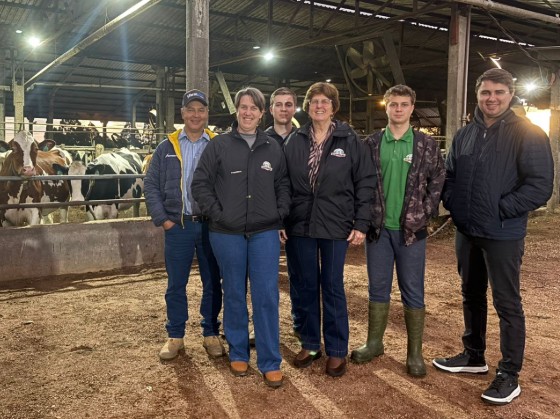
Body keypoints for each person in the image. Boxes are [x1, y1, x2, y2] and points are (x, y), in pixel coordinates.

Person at [432, 68, 554, 405]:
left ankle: (509, 373)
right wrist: (455, 204)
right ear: (478, 94)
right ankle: (474, 355)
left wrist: (500, 209)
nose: (492, 98)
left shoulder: (528, 133)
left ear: (510, 94)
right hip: (467, 230)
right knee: (471, 294)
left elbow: (540, 186)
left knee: (507, 302)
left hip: (503, 233)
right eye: (486, 92)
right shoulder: (465, 134)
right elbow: (450, 176)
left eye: (499, 92)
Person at [191, 87, 291, 388]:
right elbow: (200, 184)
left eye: (253, 108)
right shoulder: (219, 145)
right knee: (233, 291)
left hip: (264, 233)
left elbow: (283, 184)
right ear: (237, 111)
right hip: (226, 233)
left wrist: (280, 212)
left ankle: (270, 360)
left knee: (266, 294)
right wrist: (218, 214)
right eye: (243, 107)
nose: (248, 112)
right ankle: (238, 352)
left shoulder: (272, 147)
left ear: (262, 113)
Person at [350, 85, 445, 377]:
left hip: (411, 232)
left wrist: (425, 212)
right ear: (386, 107)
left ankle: (414, 353)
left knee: (412, 290)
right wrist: (363, 219)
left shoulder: (425, 145)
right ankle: (374, 343)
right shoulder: (371, 143)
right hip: (378, 230)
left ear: (412, 108)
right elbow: (360, 182)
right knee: (377, 288)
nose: (399, 109)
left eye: (404, 104)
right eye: (393, 104)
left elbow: (438, 179)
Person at [283, 82, 375, 377]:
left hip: (335, 224)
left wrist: (361, 222)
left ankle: (336, 349)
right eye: (314, 102)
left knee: (332, 285)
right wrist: (282, 219)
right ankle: (310, 343)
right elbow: (283, 183)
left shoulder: (350, 140)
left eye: (325, 101)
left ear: (333, 107)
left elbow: (365, 182)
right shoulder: (295, 140)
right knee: (305, 284)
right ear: (308, 107)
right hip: (300, 224)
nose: (319, 106)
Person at [144, 89, 225, 361]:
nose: (196, 115)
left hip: (210, 226)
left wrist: (222, 217)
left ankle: (210, 333)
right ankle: (175, 335)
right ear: (182, 113)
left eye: (201, 110)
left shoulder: (218, 145)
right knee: (176, 283)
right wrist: (163, 219)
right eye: (191, 109)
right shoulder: (165, 147)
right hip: (178, 226)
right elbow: (150, 184)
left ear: (207, 114)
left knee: (212, 281)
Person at [248, 86, 299, 347]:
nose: (283, 109)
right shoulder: (260, 139)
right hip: (267, 217)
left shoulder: (304, 138)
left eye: (288, 104)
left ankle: (300, 325)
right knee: (263, 278)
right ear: (270, 109)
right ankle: (260, 327)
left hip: (299, 215)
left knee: (299, 274)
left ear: (294, 108)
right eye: (278, 104)